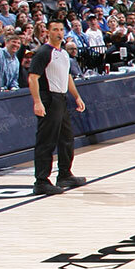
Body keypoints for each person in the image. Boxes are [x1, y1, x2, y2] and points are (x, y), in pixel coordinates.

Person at [29, 21, 87, 196]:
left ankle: (64, 174)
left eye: (61, 29)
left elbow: (67, 76)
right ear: (48, 32)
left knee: (66, 138)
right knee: (46, 141)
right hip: (48, 98)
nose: (59, 33)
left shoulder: (62, 54)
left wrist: (76, 96)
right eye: (55, 29)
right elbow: (32, 78)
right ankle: (41, 181)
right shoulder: (43, 53)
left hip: (61, 99)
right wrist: (37, 102)